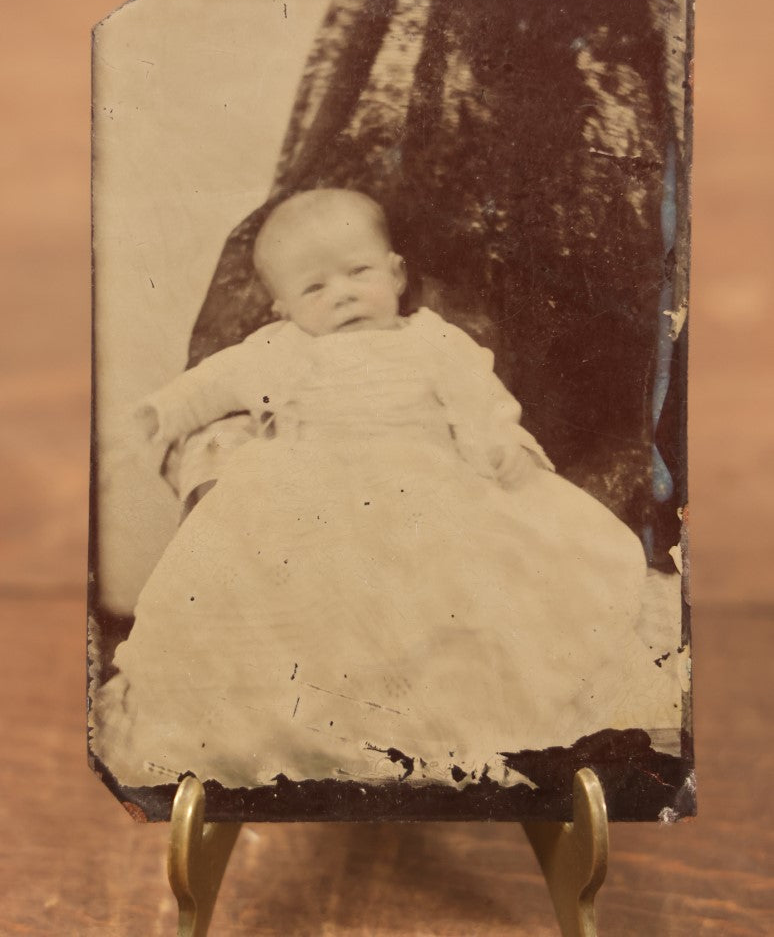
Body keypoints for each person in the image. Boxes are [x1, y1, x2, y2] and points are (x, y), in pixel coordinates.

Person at [92, 189, 673, 789]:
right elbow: (214, 383)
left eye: (358, 273)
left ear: (395, 274)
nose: (341, 294)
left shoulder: (432, 341)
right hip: (304, 487)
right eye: (314, 289)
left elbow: (478, 401)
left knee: (462, 596)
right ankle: (311, 736)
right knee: (295, 606)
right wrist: (163, 412)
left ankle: (454, 734)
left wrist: (501, 446)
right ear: (282, 308)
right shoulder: (282, 350)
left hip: (422, 479)